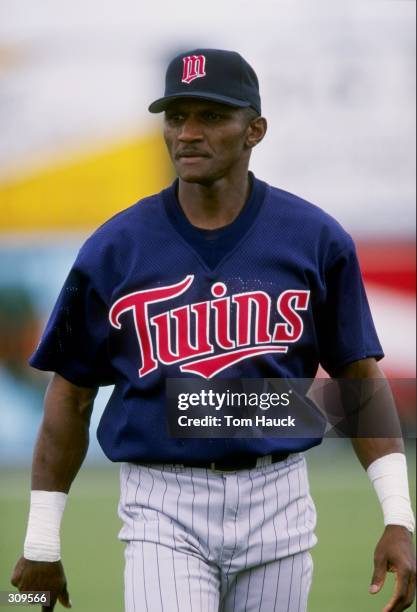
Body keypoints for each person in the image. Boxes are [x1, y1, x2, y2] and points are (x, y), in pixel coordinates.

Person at [11, 48, 415, 612]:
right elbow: (70, 396)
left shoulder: (314, 238)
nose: (189, 133)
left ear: (255, 130)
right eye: (176, 117)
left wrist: (398, 516)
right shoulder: (115, 248)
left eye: (211, 116)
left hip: (279, 497)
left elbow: (357, 380)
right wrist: (41, 542)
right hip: (162, 500)